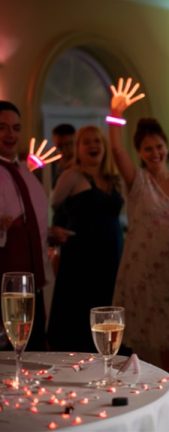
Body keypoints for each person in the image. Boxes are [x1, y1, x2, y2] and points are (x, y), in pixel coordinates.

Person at [107, 79, 169, 382]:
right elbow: (116, 149)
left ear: (167, 147)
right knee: (140, 349)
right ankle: (141, 400)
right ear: (140, 153)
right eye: (147, 149)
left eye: (159, 146)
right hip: (142, 273)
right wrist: (116, 114)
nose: (155, 153)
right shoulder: (138, 182)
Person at [47, 126, 124, 352]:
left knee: (108, 314)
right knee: (79, 319)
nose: (93, 146)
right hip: (81, 260)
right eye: (87, 142)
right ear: (78, 148)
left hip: (111, 256)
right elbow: (53, 206)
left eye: (97, 141)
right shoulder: (71, 175)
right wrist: (56, 231)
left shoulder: (112, 178)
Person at [0, 100, 49, 351]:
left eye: (16, 128)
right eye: (2, 128)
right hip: (4, 286)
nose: (10, 134)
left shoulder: (26, 174)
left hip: (31, 284)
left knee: (34, 351)